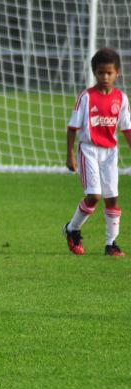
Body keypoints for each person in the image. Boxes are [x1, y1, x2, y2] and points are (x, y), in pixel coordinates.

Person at [64, 47, 131, 257]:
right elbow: (72, 127)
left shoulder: (121, 99)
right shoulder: (86, 97)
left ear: (117, 73)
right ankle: (72, 229)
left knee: (112, 198)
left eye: (109, 72)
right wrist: (70, 154)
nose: (105, 76)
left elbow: (127, 128)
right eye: (101, 72)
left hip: (110, 153)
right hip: (89, 150)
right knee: (94, 196)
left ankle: (111, 243)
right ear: (95, 72)